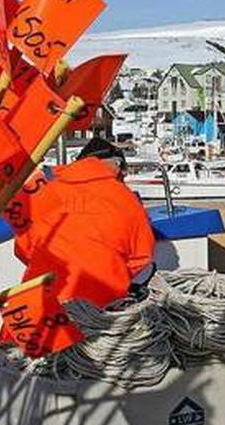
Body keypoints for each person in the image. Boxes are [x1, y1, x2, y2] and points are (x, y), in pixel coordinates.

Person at [12, 133, 156, 314]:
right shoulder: (127, 200)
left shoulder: (43, 190)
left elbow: (22, 249)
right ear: (117, 165)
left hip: (40, 307)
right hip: (102, 310)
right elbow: (141, 257)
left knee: (15, 342)